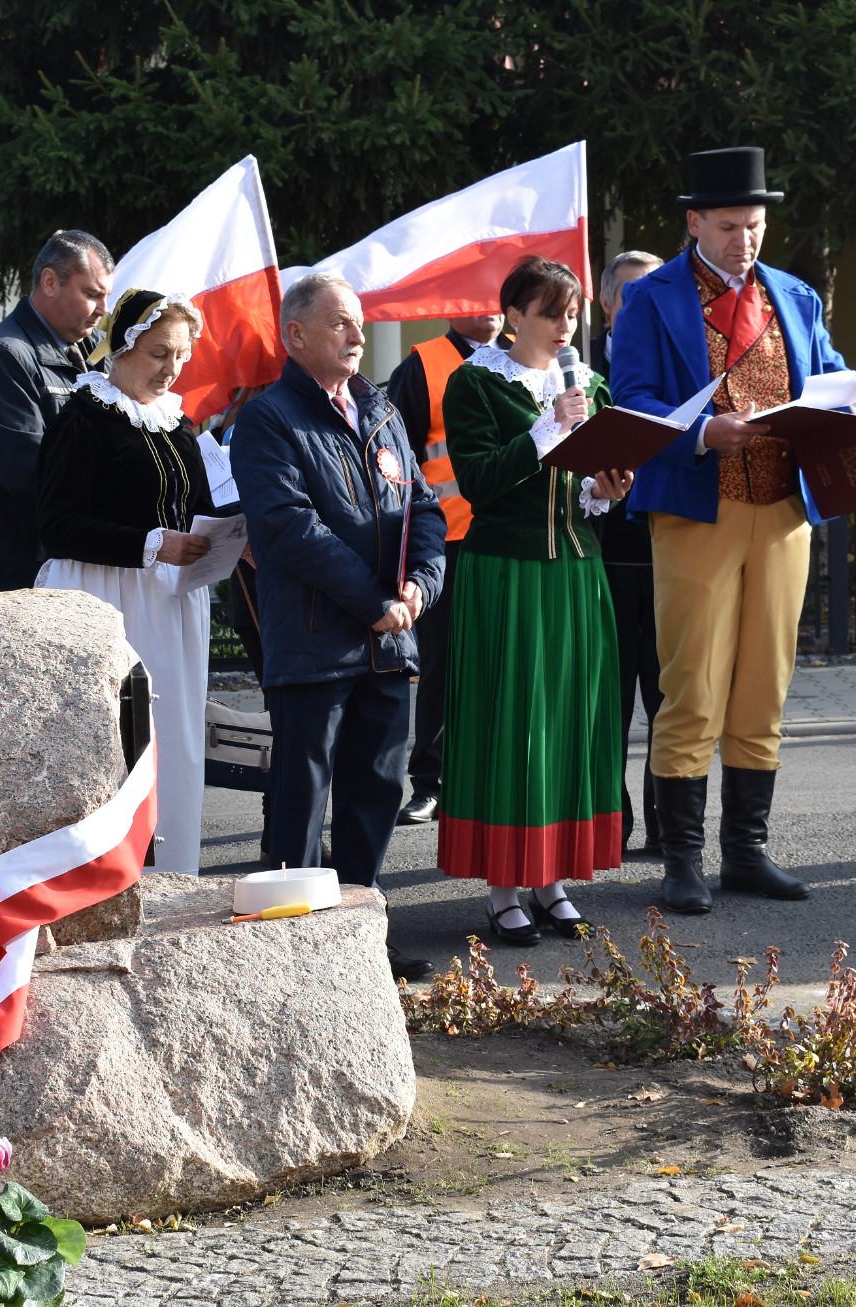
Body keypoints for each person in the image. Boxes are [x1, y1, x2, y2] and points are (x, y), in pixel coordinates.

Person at [610, 146, 847, 914]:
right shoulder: (651, 299)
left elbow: (829, 372)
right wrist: (701, 434)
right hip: (695, 507)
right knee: (691, 685)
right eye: (727, 226)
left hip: (784, 510)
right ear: (692, 222)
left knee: (763, 685)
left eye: (753, 224)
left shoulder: (795, 295)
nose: (744, 239)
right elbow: (633, 396)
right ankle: (681, 857)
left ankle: (745, 849)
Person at [231, 272, 446, 981]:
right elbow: (290, 529)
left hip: (388, 642)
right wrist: (371, 600)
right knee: (302, 801)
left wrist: (419, 586)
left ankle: (359, 943)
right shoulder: (268, 420)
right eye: (339, 325)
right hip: (316, 643)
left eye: (357, 324)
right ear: (295, 335)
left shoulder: (381, 411)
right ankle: (294, 957)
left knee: (375, 795)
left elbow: (425, 512)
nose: (357, 337)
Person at [437, 255, 632, 944]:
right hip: (507, 575)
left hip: (576, 574)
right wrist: (546, 429)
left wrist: (609, 489)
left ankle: (550, 881)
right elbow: (479, 483)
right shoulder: (473, 385)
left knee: (566, 720)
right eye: (550, 312)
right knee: (512, 721)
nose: (563, 325)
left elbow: (596, 492)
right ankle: (501, 888)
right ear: (513, 315)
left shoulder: (588, 383)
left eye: (571, 312)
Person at [36, 289, 214, 875]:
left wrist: (229, 535)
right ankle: (99, 881)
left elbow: (197, 504)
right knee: (109, 746)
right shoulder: (85, 416)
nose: (172, 369)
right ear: (125, 345)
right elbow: (55, 523)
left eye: (181, 356)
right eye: (160, 353)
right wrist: (153, 542)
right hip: (102, 595)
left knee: (172, 741)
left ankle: (169, 877)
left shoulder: (178, 422)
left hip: (169, 599)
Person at [387, 313, 507, 826]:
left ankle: (491, 777)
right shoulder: (422, 363)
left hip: (509, 539)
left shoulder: (527, 364)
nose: (489, 308)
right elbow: (396, 458)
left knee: (503, 666)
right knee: (441, 666)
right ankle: (431, 784)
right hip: (446, 542)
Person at [0, 229, 114, 593]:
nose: (102, 310)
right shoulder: (4, 356)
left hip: (83, 563)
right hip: (29, 577)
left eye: (105, 296)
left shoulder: (94, 349)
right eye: (91, 294)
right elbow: (32, 475)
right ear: (49, 281)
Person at [592, 251, 665, 858]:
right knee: (606, 703)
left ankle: (669, 822)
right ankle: (608, 824)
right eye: (633, 294)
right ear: (607, 303)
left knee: (670, 698)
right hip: (605, 561)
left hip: (670, 555)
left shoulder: (679, 370)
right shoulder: (577, 375)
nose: (646, 304)